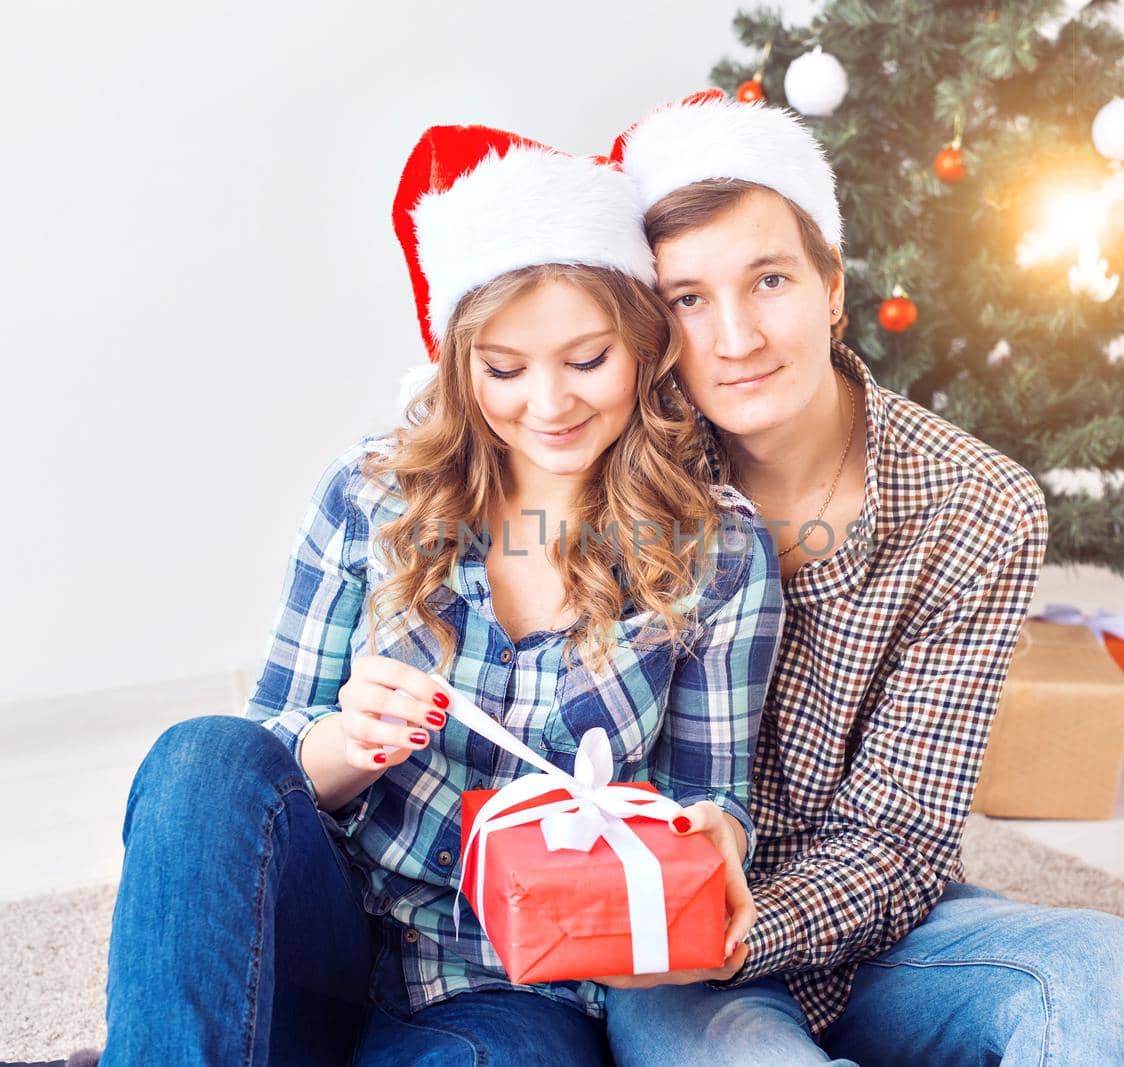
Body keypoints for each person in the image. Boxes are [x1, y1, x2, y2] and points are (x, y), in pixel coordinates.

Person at [92, 124, 784, 1066]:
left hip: (507, 989)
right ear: (460, 362)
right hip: (314, 935)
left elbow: (714, 796)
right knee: (200, 756)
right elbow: (264, 760)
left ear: (645, 344)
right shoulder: (371, 494)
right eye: (505, 369)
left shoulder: (721, 548)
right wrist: (346, 739)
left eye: (588, 360)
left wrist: (710, 837)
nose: (549, 404)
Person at [601, 91, 1124, 1067]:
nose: (736, 336)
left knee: (1118, 965)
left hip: (882, 931)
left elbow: (900, 837)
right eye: (687, 299)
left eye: (770, 279)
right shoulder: (624, 474)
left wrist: (760, 919)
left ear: (832, 285)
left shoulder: (978, 503)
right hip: (679, 956)